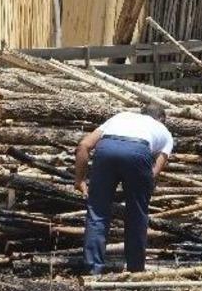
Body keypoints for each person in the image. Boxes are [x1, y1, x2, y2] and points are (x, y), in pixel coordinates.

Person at [74, 103, 174, 275]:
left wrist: (80, 180)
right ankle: (135, 269)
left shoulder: (120, 117)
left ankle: (92, 270)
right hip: (138, 151)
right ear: (162, 119)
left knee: (97, 212)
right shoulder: (164, 131)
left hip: (107, 148)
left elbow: (84, 145)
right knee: (137, 214)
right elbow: (154, 172)